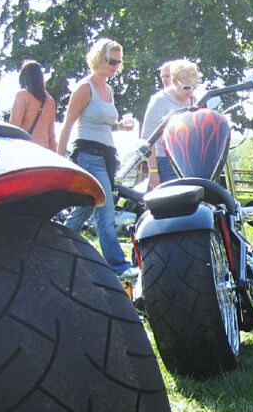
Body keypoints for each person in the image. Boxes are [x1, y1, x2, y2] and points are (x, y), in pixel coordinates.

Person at [57, 38, 137, 278]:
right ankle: (118, 266)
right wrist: (59, 160)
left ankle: (55, 243)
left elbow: (102, 123)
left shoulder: (109, 90)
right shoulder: (85, 87)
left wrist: (120, 127)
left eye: (119, 62)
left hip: (105, 155)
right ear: (99, 58)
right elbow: (68, 124)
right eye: (111, 61)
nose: (115, 66)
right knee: (105, 209)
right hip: (87, 155)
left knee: (83, 208)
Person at [141, 59, 202, 188]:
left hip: (189, 162)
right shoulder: (160, 101)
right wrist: (153, 171)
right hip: (166, 161)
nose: (190, 92)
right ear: (174, 81)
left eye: (194, 87)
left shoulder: (194, 101)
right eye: (186, 87)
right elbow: (147, 139)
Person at [8, 60, 57, 151]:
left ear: (23, 77)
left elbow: (14, 126)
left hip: (25, 148)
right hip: (44, 151)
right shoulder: (50, 101)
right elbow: (51, 134)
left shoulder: (22, 95)